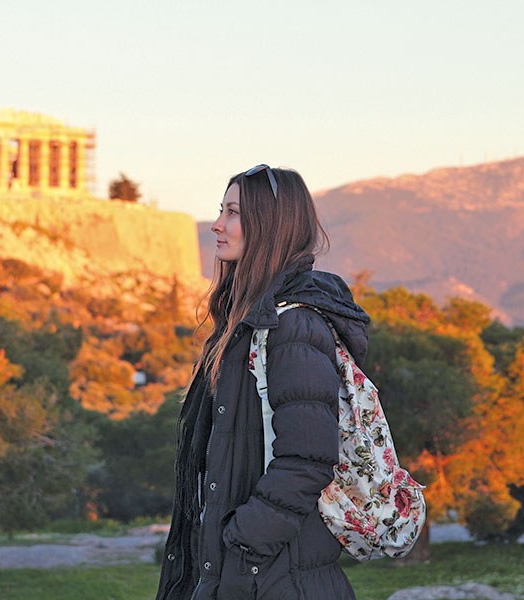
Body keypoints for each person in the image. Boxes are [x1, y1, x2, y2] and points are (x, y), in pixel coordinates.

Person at [156, 165, 368, 599]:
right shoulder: (246, 323)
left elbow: (308, 457)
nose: (216, 224)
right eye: (221, 209)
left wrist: (244, 542)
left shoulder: (294, 327)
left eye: (232, 212)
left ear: (269, 226)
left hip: (274, 578)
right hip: (248, 576)